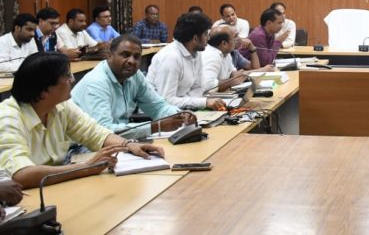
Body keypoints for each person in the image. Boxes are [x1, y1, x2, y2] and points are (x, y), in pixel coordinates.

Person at [0, 52, 164, 189]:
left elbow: (95, 133)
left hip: (54, 187)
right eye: (67, 76)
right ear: (44, 91)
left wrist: (129, 145)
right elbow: (21, 175)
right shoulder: (8, 117)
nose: (72, 80)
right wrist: (85, 168)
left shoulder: (61, 106)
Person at [72, 35, 194, 140]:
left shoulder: (135, 76)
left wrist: (179, 115)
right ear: (109, 56)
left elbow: (158, 107)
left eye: (136, 57)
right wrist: (155, 126)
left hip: (119, 141)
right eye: (125, 55)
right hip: (83, 147)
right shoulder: (97, 82)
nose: (131, 61)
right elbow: (103, 131)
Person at [147, 13, 225, 111]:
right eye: (206, 34)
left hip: (183, 109)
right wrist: (203, 102)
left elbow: (198, 88)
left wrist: (189, 101)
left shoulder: (197, 52)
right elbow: (166, 101)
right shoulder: (171, 57)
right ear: (195, 39)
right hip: (157, 114)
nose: (208, 38)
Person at [201, 25, 248, 92]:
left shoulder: (226, 52)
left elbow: (233, 73)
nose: (237, 40)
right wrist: (232, 82)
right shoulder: (212, 55)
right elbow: (207, 85)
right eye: (234, 38)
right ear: (224, 43)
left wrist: (239, 76)